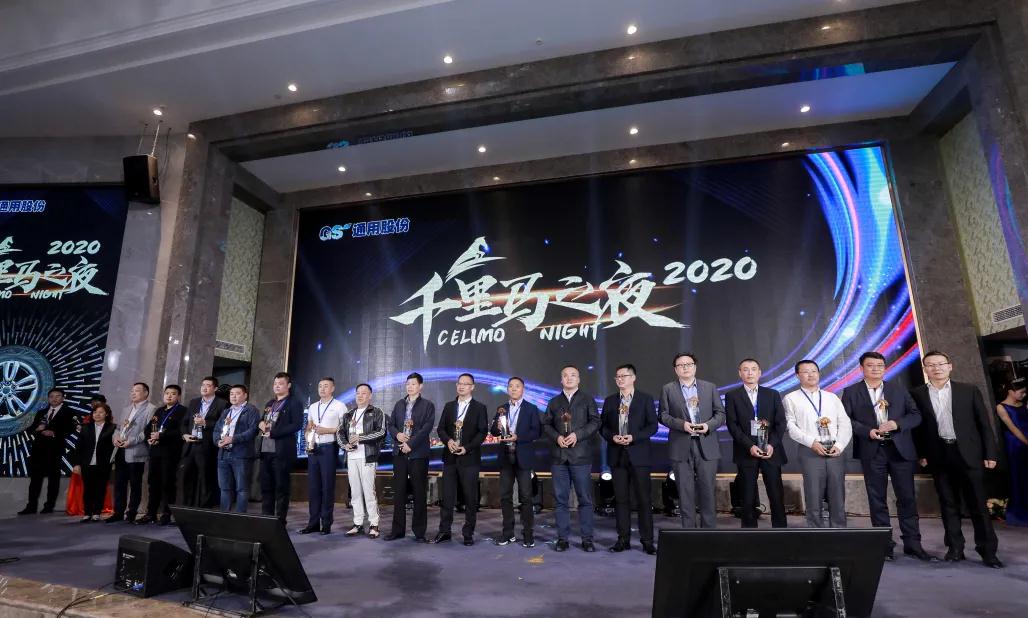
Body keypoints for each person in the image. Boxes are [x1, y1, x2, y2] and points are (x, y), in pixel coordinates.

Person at [910, 351, 1002, 568]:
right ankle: (955, 548)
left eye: (941, 364)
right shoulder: (917, 394)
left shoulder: (968, 390)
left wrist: (990, 453)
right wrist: (921, 454)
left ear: (950, 366)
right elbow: (918, 429)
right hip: (939, 454)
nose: (936, 368)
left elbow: (984, 424)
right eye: (931, 365)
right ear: (925, 369)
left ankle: (988, 551)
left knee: (977, 504)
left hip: (969, 454)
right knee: (948, 504)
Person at [841, 352, 931, 561]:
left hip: (900, 450)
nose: (876, 369)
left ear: (885, 367)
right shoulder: (851, 392)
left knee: (907, 498)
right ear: (861, 368)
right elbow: (845, 419)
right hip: (872, 450)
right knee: (877, 499)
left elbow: (915, 415)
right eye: (870, 365)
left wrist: (896, 424)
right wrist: (867, 431)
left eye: (880, 365)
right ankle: (883, 546)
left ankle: (913, 544)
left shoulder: (898, 389)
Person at [659, 353, 725, 529]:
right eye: (681, 365)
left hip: (706, 444)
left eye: (689, 364)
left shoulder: (709, 387)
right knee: (685, 492)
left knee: (707, 491)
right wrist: (682, 425)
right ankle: (688, 533)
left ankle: (709, 533)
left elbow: (720, 414)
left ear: (695, 367)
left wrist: (708, 425)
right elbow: (663, 415)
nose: (685, 367)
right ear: (675, 369)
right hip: (681, 445)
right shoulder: (668, 389)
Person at [784, 360, 851, 528]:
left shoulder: (831, 397)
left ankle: (839, 531)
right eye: (806, 371)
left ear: (819, 374)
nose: (811, 375)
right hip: (810, 451)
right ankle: (815, 532)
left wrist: (839, 445)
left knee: (837, 493)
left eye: (814, 371)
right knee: (813, 494)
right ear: (797, 375)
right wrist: (811, 442)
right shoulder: (791, 398)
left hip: (835, 450)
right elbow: (790, 426)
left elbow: (845, 423)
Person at [600, 364, 658, 554]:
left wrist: (634, 437)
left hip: (639, 455)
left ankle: (647, 541)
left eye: (624, 376)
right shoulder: (610, 401)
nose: (620, 379)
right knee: (621, 500)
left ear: (633, 378)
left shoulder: (645, 399)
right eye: (617, 376)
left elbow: (652, 426)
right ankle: (623, 539)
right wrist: (612, 437)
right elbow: (602, 427)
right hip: (617, 455)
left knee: (643, 500)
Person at [542, 365, 600, 552]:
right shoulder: (554, 402)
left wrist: (578, 435)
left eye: (573, 375)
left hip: (581, 457)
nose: (569, 378)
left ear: (579, 379)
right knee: (560, 500)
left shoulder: (587, 399)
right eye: (565, 376)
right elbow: (546, 425)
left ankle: (587, 539)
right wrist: (557, 437)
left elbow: (595, 422)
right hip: (559, 458)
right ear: (561, 380)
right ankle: (562, 539)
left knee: (585, 500)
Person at [724, 358, 788, 529]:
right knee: (747, 496)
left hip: (770, 451)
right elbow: (732, 425)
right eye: (745, 369)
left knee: (776, 494)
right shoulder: (732, 396)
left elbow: (781, 423)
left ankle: (781, 532)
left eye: (753, 369)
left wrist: (771, 444)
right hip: (746, 451)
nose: (750, 372)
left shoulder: (772, 394)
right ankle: (749, 533)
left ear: (760, 373)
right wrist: (749, 446)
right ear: (740, 373)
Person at [434, 373, 488, 545]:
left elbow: (482, 432)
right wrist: (448, 441)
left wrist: (467, 448)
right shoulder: (449, 406)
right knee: (447, 497)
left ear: (472, 387)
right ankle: (444, 531)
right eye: (459, 383)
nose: (462, 386)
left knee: (470, 498)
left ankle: (468, 533)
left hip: (469, 459)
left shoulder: (479, 408)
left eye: (466, 384)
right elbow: (441, 429)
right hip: (450, 458)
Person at [489, 376, 542, 548]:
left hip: (523, 458)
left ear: (523, 389)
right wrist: (497, 427)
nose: (513, 389)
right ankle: (508, 533)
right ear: (507, 389)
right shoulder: (502, 409)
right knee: (505, 497)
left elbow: (536, 432)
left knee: (526, 497)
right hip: (505, 458)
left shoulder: (531, 408)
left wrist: (518, 437)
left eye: (517, 386)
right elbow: (493, 431)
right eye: (510, 386)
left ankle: (528, 534)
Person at [384, 373, 435, 542]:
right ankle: (397, 530)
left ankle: (419, 532)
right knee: (399, 492)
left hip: (418, 453)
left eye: (413, 384)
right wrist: (397, 435)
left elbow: (426, 428)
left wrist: (410, 444)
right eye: (408, 384)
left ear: (421, 386)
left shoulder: (428, 405)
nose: (410, 386)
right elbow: (391, 424)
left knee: (419, 492)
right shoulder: (399, 404)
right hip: (399, 452)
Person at [337, 383, 386, 538]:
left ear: (370, 396)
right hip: (351, 457)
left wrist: (361, 438)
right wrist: (345, 445)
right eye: (358, 393)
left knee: (369, 491)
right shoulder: (348, 414)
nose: (360, 395)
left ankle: (374, 524)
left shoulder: (376, 412)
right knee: (355, 492)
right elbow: (340, 433)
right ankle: (357, 523)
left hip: (368, 456)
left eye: (364, 393)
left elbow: (381, 432)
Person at [299, 377, 347, 535]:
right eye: (320, 386)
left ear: (332, 388)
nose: (322, 389)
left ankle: (326, 524)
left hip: (329, 448)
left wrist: (327, 430)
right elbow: (309, 426)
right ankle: (312, 523)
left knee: (327, 486)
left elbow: (345, 428)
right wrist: (308, 434)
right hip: (313, 449)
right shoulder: (313, 406)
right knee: (313, 487)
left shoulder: (339, 406)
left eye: (326, 386)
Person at [18, 388, 77, 515]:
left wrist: (54, 433)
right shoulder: (41, 412)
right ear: (48, 398)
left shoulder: (69, 412)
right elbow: (31, 428)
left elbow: (71, 429)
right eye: (51, 396)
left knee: (53, 479)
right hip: (38, 449)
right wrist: (37, 429)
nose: (54, 399)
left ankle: (49, 506)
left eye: (57, 396)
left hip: (55, 450)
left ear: (63, 397)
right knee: (35, 479)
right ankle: (31, 506)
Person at [258, 372, 304, 523]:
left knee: (281, 487)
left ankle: (279, 520)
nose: (277, 386)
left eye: (281, 384)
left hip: (282, 450)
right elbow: (263, 420)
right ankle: (266, 519)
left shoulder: (294, 403)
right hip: (266, 449)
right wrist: (261, 424)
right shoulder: (270, 403)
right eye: (275, 384)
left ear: (288, 385)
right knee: (266, 486)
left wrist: (274, 433)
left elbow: (296, 425)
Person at [107, 383, 155, 523]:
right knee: (119, 484)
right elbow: (118, 428)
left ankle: (131, 513)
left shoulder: (151, 409)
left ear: (146, 393)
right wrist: (115, 438)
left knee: (135, 485)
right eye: (132, 391)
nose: (133, 393)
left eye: (137, 391)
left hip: (136, 451)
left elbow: (147, 431)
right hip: (120, 450)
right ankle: (118, 512)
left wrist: (131, 441)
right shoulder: (126, 409)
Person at [138, 385, 186, 525]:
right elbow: (148, 428)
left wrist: (161, 435)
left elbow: (181, 432)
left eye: (173, 394)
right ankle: (151, 513)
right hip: (155, 452)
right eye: (167, 393)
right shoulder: (159, 411)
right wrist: (150, 437)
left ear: (178, 396)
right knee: (153, 483)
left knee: (167, 483)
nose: (169, 396)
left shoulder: (182, 411)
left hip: (170, 453)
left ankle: (166, 514)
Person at [179, 376, 228, 508]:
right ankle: (186, 508)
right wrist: (184, 435)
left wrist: (205, 422)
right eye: (203, 385)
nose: (204, 388)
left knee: (205, 478)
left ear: (215, 388)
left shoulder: (222, 403)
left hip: (207, 446)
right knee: (185, 476)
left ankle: (204, 509)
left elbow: (223, 425)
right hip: (191, 445)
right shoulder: (194, 402)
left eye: (208, 385)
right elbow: (184, 422)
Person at [214, 385, 260, 512]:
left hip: (241, 455)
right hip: (223, 454)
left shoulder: (251, 410)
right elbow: (217, 429)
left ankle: (240, 517)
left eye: (237, 393)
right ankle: (225, 515)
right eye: (231, 394)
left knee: (242, 488)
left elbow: (253, 431)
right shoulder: (226, 411)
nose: (233, 396)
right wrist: (217, 441)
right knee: (224, 488)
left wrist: (233, 439)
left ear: (245, 395)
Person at [71, 403, 116, 522]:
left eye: (101, 412)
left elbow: (114, 447)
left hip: (104, 464)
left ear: (107, 414)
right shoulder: (86, 427)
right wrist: (77, 464)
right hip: (87, 463)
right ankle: (87, 513)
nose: (97, 414)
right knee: (88, 489)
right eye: (95, 412)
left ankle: (96, 513)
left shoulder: (112, 428)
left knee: (100, 488)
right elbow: (78, 447)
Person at [996, 378, 1028, 526]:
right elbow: (1013, 428)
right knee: (1019, 474)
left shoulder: (1024, 404)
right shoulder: (1001, 407)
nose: (1024, 395)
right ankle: (1021, 508)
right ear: (1010, 391)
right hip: (1015, 443)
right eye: (1021, 392)